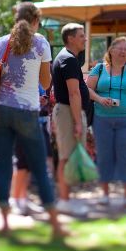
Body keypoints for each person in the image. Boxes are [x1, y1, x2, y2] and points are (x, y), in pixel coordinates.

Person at [0, 2, 67, 239]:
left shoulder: (3, 42)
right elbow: (45, 83)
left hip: (1, 110)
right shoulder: (41, 43)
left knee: (3, 166)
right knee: (40, 168)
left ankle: (4, 224)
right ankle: (55, 225)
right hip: (27, 112)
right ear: (36, 20)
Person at [87, 37, 126, 207]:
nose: (123, 52)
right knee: (104, 156)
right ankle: (105, 194)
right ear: (111, 51)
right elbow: (87, 88)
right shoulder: (99, 69)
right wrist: (99, 99)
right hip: (102, 119)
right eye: (119, 48)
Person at [51, 22, 90, 217]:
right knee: (66, 158)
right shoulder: (68, 60)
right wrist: (77, 122)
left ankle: (67, 199)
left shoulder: (70, 59)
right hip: (67, 113)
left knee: (69, 157)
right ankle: (64, 201)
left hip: (68, 112)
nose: (85, 38)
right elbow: (74, 94)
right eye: (81, 35)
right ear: (70, 38)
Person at [11, 86, 54, 216]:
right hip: (20, 121)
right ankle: (16, 199)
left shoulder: (36, 79)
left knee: (28, 164)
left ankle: (23, 199)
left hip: (37, 121)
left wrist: (42, 99)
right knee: (21, 162)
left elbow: (43, 93)